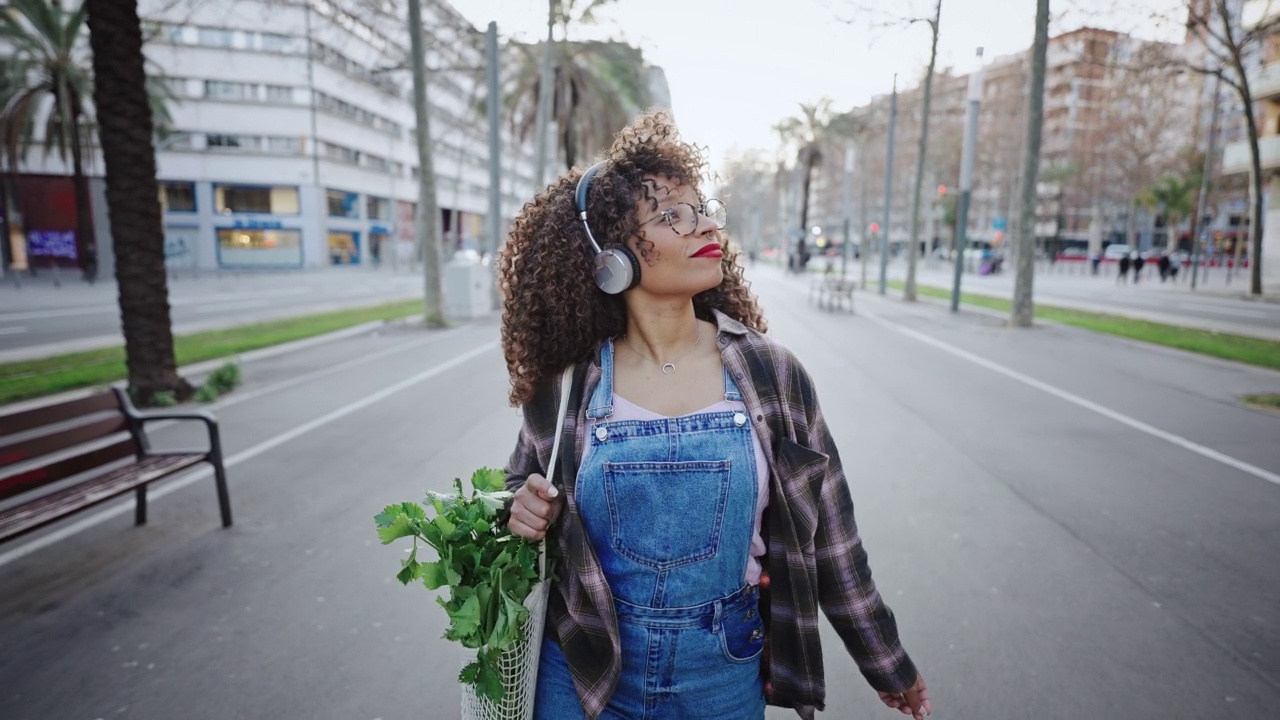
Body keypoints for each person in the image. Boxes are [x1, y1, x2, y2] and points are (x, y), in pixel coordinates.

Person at [499, 110, 928, 720]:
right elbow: (511, 492)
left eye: (701, 208)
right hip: (582, 677)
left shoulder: (772, 375)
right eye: (669, 215)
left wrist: (887, 662)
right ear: (610, 258)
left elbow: (832, 536)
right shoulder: (569, 386)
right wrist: (520, 509)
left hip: (722, 680)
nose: (702, 225)